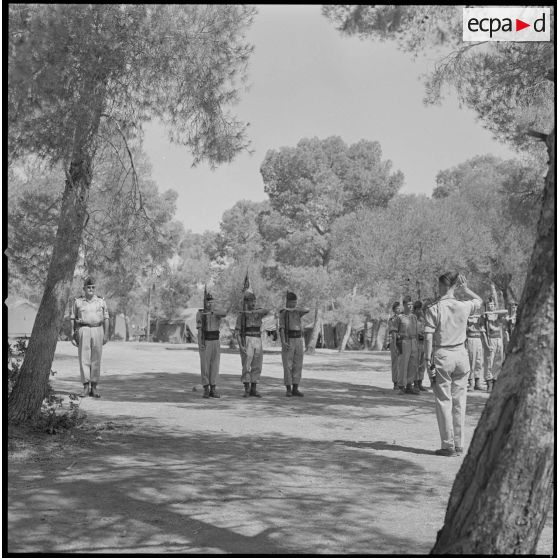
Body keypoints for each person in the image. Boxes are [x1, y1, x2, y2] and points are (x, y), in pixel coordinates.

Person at [424, 272, 482, 457]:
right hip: (461, 354)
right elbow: (479, 301)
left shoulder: (434, 308)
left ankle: (447, 445)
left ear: (441, 285)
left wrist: (427, 360)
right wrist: (466, 290)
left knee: (443, 401)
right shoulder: (464, 306)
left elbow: (428, 336)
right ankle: (459, 444)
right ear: (455, 286)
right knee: (460, 402)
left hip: (443, 354)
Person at [70, 277, 109, 398]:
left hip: (98, 330)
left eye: (93, 287)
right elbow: (72, 318)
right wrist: (72, 334)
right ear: (84, 289)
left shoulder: (101, 301)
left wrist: (106, 334)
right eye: (88, 287)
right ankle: (86, 387)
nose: (91, 289)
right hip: (83, 330)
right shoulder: (78, 302)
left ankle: (94, 387)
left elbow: (106, 318)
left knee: (96, 359)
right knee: (84, 358)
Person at [235, 290, 270, 398]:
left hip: (257, 339)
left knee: (257, 365)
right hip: (247, 339)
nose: (253, 303)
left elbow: (267, 311)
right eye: (250, 301)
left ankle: (254, 389)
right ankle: (246, 389)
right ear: (245, 302)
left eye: (254, 301)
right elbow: (237, 332)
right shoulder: (242, 316)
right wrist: (241, 345)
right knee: (246, 365)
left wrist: (253, 312)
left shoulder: (258, 312)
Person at [196, 290, 227, 399]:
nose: (209, 304)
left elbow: (224, 313)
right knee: (205, 366)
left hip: (216, 341)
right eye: (207, 301)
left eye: (211, 302)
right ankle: (206, 389)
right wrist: (200, 343)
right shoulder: (200, 313)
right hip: (206, 340)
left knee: (215, 365)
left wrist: (213, 312)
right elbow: (199, 330)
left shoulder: (216, 312)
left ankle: (213, 388)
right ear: (204, 302)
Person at [279, 291, 309, 397]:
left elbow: (307, 310)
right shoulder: (283, 313)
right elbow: (281, 328)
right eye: (292, 302)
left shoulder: (297, 312)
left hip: (299, 339)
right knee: (288, 365)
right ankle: (288, 389)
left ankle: (295, 388)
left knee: (298, 364)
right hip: (288, 339)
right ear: (287, 302)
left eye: (295, 302)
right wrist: (283, 341)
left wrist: (294, 308)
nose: (294, 304)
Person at [394, 295, 420, 394]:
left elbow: (417, 331)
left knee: (413, 364)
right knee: (403, 364)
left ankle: (410, 385)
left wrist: (417, 343)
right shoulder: (399, 318)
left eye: (411, 305)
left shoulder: (414, 317)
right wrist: (396, 345)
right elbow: (394, 332)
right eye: (408, 304)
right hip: (404, 342)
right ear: (404, 305)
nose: (410, 306)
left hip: (413, 341)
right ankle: (401, 386)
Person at [482, 297, 507, 393]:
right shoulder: (485, 316)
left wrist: (495, 312)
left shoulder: (498, 314)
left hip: (499, 339)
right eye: (489, 305)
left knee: (498, 361)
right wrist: (487, 344)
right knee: (489, 361)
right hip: (491, 339)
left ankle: (495, 380)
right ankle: (489, 382)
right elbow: (484, 332)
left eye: (492, 305)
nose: (490, 306)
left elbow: (505, 312)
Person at [465, 314, 485, 391]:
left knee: (479, 361)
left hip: (478, 338)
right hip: (471, 338)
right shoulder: (467, 313)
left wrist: (481, 316)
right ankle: (470, 383)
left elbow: (482, 324)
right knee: (471, 361)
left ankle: (477, 382)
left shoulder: (480, 315)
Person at [413, 300, 428, 392]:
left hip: (423, 343)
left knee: (422, 364)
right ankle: (415, 383)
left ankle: (420, 383)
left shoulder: (423, 319)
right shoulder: (412, 319)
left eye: (420, 309)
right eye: (417, 309)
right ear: (415, 309)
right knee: (415, 364)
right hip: (416, 343)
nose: (419, 311)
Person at [387, 301, 402, 390]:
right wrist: (395, 344)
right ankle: (395, 382)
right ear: (394, 310)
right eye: (397, 308)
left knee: (403, 363)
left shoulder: (405, 318)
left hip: (404, 341)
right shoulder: (392, 319)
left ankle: (402, 382)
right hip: (394, 342)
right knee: (395, 363)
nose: (399, 310)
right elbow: (392, 332)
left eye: (400, 308)